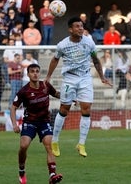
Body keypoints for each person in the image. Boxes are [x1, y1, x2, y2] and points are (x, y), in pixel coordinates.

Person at [45, 17, 111, 157]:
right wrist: (48, 77)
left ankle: (81, 143)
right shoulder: (62, 45)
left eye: (81, 26)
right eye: (77, 26)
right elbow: (55, 59)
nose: (81, 28)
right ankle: (55, 141)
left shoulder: (89, 42)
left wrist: (101, 77)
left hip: (85, 78)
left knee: (86, 108)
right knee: (64, 109)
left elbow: (95, 60)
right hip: (69, 78)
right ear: (70, 29)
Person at [11, 63, 63, 184]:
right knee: (24, 146)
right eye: (32, 71)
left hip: (44, 122)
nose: (35, 73)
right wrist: (14, 124)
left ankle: (52, 175)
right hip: (30, 122)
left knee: (49, 146)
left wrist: (69, 98)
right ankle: (21, 170)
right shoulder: (24, 91)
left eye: (37, 71)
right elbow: (13, 108)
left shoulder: (46, 85)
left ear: (39, 73)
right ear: (28, 74)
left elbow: (56, 94)